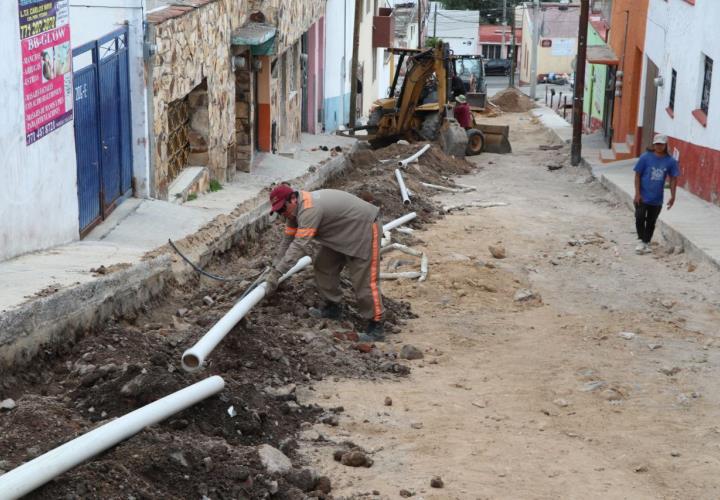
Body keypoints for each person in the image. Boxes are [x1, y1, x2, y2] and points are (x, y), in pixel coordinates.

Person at [264, 185, 385, 341]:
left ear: (293, 199)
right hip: (341, 233)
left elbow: (299, 245)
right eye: (279, 211)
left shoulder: (309, 209)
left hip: (364, 228)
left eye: (283, 208)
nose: (283, 213)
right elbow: (287, 241)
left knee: (364, 281)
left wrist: (277, 273)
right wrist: (274, 266)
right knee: (323, 266)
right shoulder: (293, 213)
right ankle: (334, 307)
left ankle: (376, 326)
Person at [633, 134, 680, 254]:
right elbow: (637, 175)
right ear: (653, 144)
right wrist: (637, 193)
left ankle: (646, 242)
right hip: (642, 196)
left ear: (665, 145)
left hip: (657, 198)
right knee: (639, 217)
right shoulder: (645, 157)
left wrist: (673, 196)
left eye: (661, 144)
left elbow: (673, 178)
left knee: (651, 221)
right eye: (657, 144)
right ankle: (641, 240)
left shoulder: (670, 161)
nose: (659, 146)